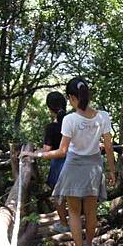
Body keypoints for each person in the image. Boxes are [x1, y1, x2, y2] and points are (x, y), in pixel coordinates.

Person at [21, 77, 116, 246]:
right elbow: (109, 146)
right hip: (94, 167)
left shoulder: (70, 120)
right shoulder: (103, 116)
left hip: (73, 167)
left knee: (73, 212)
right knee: (91, 212)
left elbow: (62, 151)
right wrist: (112, 171)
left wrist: (35, 156)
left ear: (72, 97)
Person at [43, 91, 70, 233]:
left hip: (59, 165)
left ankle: (64, 223)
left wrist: (33, 153)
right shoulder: (72, 122)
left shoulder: (51, 128)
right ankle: (76, 222)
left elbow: (46, 150)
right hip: (75, 162)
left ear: (49, 108)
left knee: (58, 195)